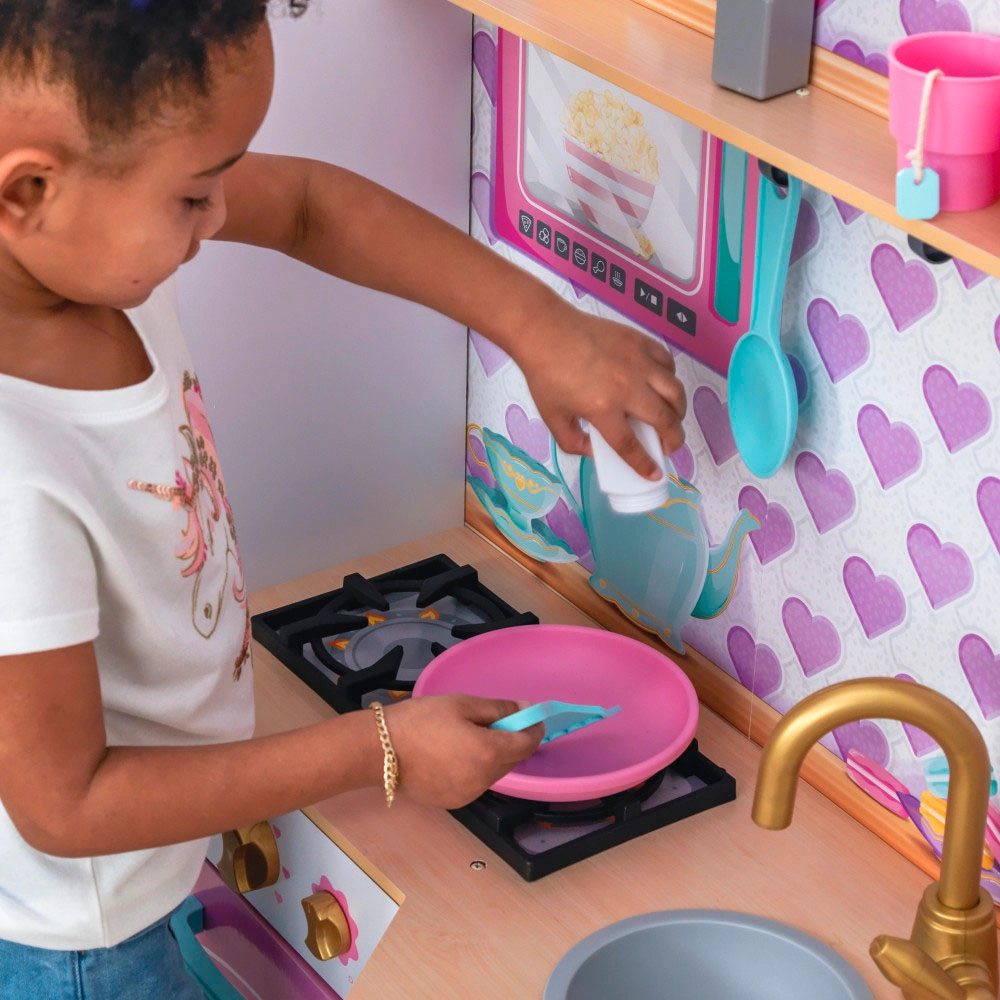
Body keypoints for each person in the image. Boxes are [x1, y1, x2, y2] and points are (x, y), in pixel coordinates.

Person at [0, 2, 687, 996]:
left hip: (130, 887)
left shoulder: (86, 261)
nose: (225, 215)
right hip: (72, 949)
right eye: (195, 196)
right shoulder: (17, 471)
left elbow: (316, 206)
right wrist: (378, 748)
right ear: (29, 188)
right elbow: (66, 803)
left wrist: (540, 326)